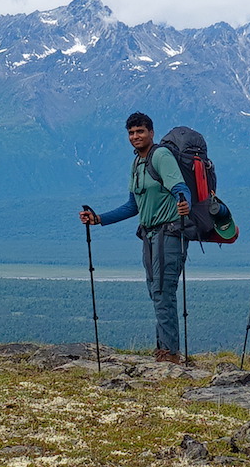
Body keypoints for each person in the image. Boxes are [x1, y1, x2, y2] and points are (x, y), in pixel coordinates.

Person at [79, 112, 192, 363]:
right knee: (156, 291)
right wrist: (99, 219)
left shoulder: (161, 155)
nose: (135, 136)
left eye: (140, 131)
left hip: (169, 233)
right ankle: (164, 348)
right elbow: (133, 205)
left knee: (163, 290)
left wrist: (184, 203)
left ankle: (170, 353)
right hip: (150, 235)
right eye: (131, 133)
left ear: (151, 132)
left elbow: (180, 188)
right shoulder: (137, 163)